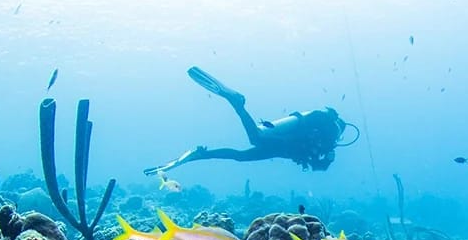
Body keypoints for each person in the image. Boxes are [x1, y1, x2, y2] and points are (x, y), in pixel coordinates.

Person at [144, 67, 355, 175]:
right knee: (254, 140)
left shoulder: (323, 128)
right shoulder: (330, 140)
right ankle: (238, 104)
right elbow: (319, 166)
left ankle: (201, 154)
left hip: (282, 146)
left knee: (242, 156)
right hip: (286, 145)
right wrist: (328, 156)